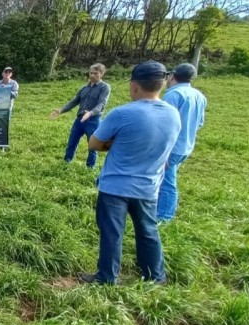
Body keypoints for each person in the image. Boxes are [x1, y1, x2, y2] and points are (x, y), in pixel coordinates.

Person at [79, 61, 180, 285]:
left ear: (134, 86)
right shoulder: (174, 115)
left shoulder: (122, 113)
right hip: (149, 186)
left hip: (115, 185)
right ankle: (155, 276)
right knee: (148, 231)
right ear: (161, 84)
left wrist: (114, 143)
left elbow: (94, 143)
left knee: (112, 233)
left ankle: (107, 277)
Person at [156, 63, 207, 222]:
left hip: (171, 146)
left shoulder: (173, 95)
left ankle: (164, 217)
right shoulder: (199, 95)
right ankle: (158, 209)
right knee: (166, 177)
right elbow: (200, 123)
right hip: (186, 145)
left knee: (167, 181)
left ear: (172, 76)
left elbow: (165, 124)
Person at [50, 63, 110, 169]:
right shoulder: (84, 88)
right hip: (80, 120)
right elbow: (74, 101)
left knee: (92, 146)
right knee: (71, 142)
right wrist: (61, 110)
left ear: (101, 74)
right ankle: (66, 163)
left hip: (93, 120)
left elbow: (102, 104)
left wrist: (90, 113)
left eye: (95, 73)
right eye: (91, 73)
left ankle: (90, 168)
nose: (92, 75)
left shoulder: (104, 87)